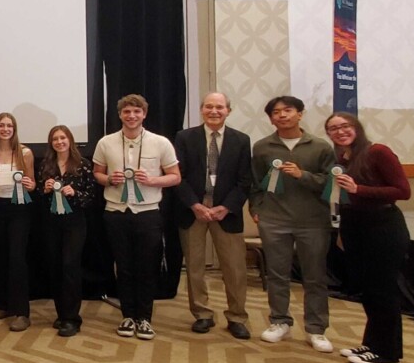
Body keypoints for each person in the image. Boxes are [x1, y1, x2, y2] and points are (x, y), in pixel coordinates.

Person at [249, 96, 337, 353]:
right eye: (276, 112)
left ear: (300, 114)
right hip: (274, 220)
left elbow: (331, 184)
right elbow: (255, 183)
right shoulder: (263, 147)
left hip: (313, 221)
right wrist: (256, 209)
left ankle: (316, 328)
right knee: (277, 274)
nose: (282, 116)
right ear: (270, 118)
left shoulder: (320, 147)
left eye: (288, 111)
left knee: (315, 276)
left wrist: (303, 175)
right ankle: (279, 321)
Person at [92, 94, 181, 340]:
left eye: (136, 112)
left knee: (147, 267)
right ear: (119, 115)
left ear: (144, 114)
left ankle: (145, 318)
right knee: (124, 266)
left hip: (148, 213)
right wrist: (109, 179)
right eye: (127, 112)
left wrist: (152, 180)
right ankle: (128, 316)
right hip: (116, 212)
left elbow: (175, 176)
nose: (132, 116)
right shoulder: (106, 142)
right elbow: (97, 173)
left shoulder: (160, 142)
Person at [325, 113, 411, 363]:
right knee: (369, 289)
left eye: (345, 126)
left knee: (383, 289)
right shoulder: (344, 158)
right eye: (333, 129)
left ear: (357, 128)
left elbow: (403, 191)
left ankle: (388, 353)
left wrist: (358, 190)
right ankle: (373, 342)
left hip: (383, 227)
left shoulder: (379, 152)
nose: (340, 132)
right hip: (356, 227)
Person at [172, 93, 253, 339]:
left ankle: (237, 317)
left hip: (225, 212)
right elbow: (178, 176)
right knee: (195, 267)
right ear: (201, 110)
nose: (214, 111)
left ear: (228, 110)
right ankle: (202, 314)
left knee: (235, 269)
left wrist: (226, 207)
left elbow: (245, 180)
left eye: (219, 107)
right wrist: (195, 205)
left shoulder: (241, 140)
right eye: (209, 106)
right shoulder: (184, 137)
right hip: (193, 210)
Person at [37, 124, 99, 336]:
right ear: (51, 143)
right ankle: (61, 314)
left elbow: (91, 197)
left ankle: (73, 318)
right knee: (55, 267)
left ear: (70, 140)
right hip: (51, 223)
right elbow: (39, 196)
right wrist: (44, 190)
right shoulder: (46, 165)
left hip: (74, 223)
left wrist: (75, 193)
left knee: (70, 266)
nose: (59, 142)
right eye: (55, 139)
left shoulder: (82, 165)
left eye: (63, 138)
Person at [0, 113, 36, 332]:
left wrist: (30, 184)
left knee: (17, 258)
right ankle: (3, 304)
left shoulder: (25, 152)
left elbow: (32, 185)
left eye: (9, 125)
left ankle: (22, 312)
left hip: (19, 208)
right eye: (1, 125)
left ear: (14, 128)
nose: (5, 129)